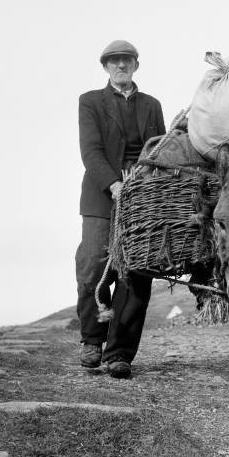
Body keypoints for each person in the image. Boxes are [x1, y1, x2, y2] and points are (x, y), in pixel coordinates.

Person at [76, 40, 165, 378]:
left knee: (137, 273)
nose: (121, 66)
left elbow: (160, 150)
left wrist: (145, 186)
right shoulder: (90, 102)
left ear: (135, 66)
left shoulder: (152, 105)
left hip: (142, 202)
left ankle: (120, 354)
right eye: (114, 61)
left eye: (126, 61)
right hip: (102, 197)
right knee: (92, 267)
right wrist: (114, 184)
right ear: (106, 67)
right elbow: (91, 151)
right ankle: (92, 341)